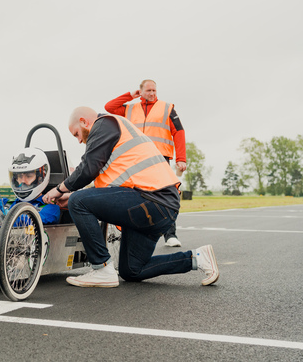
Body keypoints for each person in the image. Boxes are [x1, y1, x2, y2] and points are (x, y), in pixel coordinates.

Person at [42, 107, 218, 288]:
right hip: (159, 207)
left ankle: (101, 268)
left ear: (84, 121)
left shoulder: (104, 124)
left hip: (151, 199)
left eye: (76, 134)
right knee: (132, 270)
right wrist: (71, 194)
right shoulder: (114, 132)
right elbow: (112, 187)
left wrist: (60, 189)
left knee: (78, 201)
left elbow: (88, 168)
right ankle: (196, 258)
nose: (79, 140)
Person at [104, 80, 186, 247]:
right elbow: (109, 107)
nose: (152, 93)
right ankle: (133, 234)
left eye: (154, 90)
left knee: (165, 194)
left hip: (159, 158)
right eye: (148, 90)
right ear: (140, 91)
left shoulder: (167, 108)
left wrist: (181, 158)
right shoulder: (129, 109)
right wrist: (129, 96)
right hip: (135, 158)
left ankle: (170, 235)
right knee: (134, 195)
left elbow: (179, 132)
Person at [2, 147, 60, 225]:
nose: (22, 181)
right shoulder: (6, 203)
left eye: (28, 176)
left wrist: (3, 216)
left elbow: (31, 221)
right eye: (19, 176)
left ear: (40, 178)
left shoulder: (51, 208)